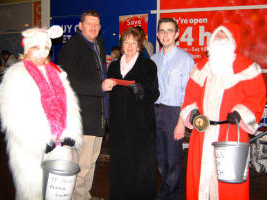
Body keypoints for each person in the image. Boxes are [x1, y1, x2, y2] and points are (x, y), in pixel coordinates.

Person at [174, 23, 266, 200]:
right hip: (202, 134)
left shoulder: (247, 69)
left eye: (224, 36)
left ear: (233, 41)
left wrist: (241, 112)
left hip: (230, 134)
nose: (220, 40)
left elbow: (257, 96)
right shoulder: (201, 68)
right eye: (218, 36)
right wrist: (192, 113)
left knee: (228, 185)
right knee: (200, 179)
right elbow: (189, 96)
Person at [0, 26, 82, 200]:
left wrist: (70, 134)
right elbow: (12, 117)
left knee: (59, 194)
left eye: (46, 48)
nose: (42, 53)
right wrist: (39, 142)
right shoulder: (15, 76)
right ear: (27, 49)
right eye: (36, 48)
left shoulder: (57, 73)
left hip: (59, 146)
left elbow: (69, 106)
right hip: (30, 151)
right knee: (33, 193)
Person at [102, 27, 159, 200]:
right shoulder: (113, 66)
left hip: (140, 125)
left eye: (134, 42)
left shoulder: (148, 65)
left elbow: (155, 93)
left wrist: (142, 91)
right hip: (119, 124)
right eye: (126, 42)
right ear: (121, 45)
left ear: (140, 45)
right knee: (120, 164)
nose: (130, 46)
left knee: (141, 166)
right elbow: (108, 94)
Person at [58, 9, 107, 200]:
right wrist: (100, 86)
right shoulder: (71, 48)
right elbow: (71, 82)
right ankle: (79, 197)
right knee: (82, 165)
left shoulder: (98, 45)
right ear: (80, 25)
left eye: (96, 24)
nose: (93, 27)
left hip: (99, 115)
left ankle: (84, 195)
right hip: (83, 116)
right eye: (89, 23)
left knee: (91, 162)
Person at [151, 18, 194, 200]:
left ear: (177, 35)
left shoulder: (185, 59)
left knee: (173, 159)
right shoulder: (153, 59)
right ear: (158, 35)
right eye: (162, 30)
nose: (165, 34)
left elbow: (189, 94)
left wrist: (181, 123)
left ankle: (173, 195)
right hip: (154, 112)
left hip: (174, 113)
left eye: (169, 30)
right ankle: (166, 190)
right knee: (159, 158)